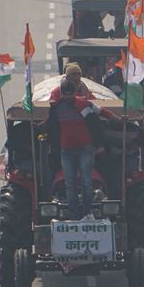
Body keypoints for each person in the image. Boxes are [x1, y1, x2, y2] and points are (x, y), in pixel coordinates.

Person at [47, 81, 118, 218]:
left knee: (86, 180)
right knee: (69, 182)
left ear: (74, 92)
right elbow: (51, 126)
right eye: (65, 94)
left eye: (70, 94)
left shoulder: (84, 104)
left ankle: (87, 210)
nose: (68, 97)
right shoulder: (57, 108)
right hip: (66, 151)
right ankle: (73, 212)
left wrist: (118, 119)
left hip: (85, 149)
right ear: (61, 93)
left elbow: (101, 112)